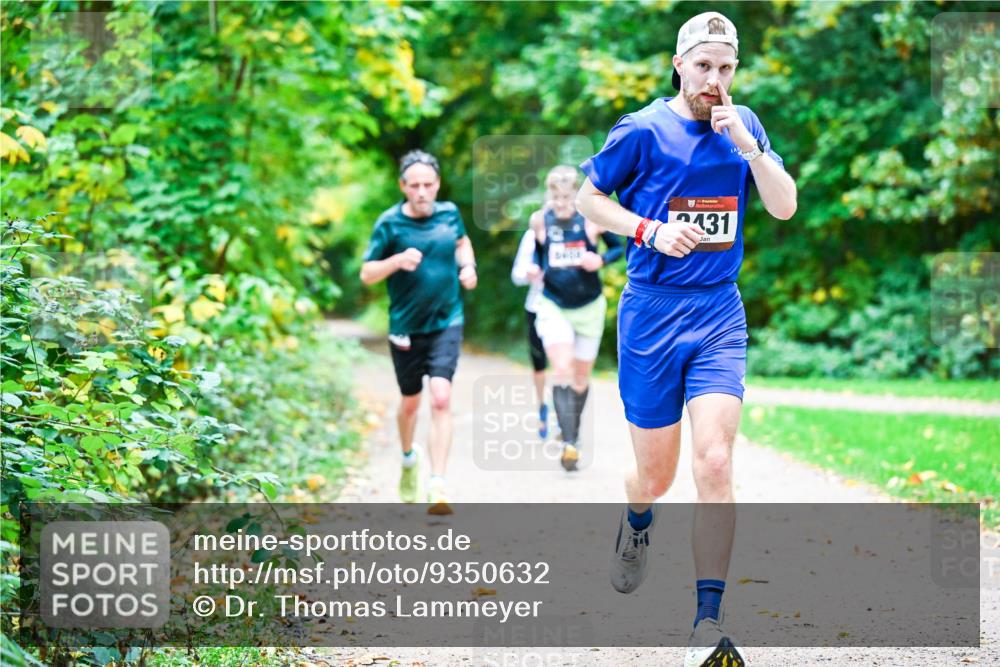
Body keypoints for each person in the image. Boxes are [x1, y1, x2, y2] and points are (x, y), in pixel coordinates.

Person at [575, 12, 797, 667]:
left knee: (716, 462)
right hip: (651, 314)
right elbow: (589, 200)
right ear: (679, 65)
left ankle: (707, 621)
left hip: (718, 312)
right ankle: (637, 518)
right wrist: (649, 230)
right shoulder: (642, 129)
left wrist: (750, 149)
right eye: (703, 66)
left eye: (726, 68)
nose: (714, 80)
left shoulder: (745, 126)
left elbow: (784, 205)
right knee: (655, 474)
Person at [359, 150, 478, 515]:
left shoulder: (450, 213)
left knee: (441, 398)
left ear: (437, 184)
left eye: (428, 184)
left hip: (447, 320)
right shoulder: (390, 223)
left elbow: (462, 242)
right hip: (406, 328)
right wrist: (396, 261)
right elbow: (367, 273)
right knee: (410, 402)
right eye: (415, 186)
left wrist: (468, 267)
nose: (422, 192)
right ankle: (409, 457)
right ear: (403, 186)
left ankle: (437, 483)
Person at [531, 165, 623, 471]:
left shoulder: (591, 219)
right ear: (549, 195)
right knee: (562, 369)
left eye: (567, 198)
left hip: (589, 305)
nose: (561, 204)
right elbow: (538, 254)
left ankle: (573, 431)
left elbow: (618, 249)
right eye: (556, 198)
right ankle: (569, 444)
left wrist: (599, 259)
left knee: (581, 378)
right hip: (553, 304)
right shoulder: (540, 220)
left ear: (576, 196)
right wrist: (534, 268)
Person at [510, 226, 550, 439]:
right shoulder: (533, 233)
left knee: (565, 365)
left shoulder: (579, 228)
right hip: (537, 306)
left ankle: (567, 416)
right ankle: (543, 406)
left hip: (569, 308)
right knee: (539, 365)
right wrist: (529, 273)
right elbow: (516, 275)